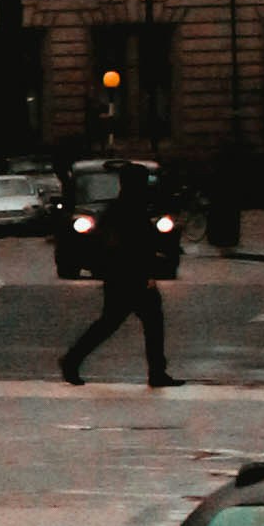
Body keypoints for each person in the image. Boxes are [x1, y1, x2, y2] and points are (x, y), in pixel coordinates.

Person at [61, 152, 176, 389]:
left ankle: (73, 360)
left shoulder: (121, 207)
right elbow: (133, 246)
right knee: (135, 322)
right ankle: (156, 372)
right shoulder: (131, 209)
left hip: (121, 275)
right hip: (129, 276)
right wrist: (147, 272)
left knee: (114, 323)